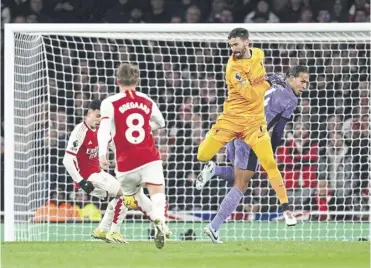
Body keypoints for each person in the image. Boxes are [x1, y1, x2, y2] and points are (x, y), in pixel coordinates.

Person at [196, 28, 299, 243]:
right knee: (236, 179)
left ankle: (214, 172)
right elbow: (253, 95)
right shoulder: (233, 68)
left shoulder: (259, 55)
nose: (232, 49)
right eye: (230, 45)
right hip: (237, 122)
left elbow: (259, 86)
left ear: (247, 43)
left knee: (241, 176)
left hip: (253, 125)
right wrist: (270, 82)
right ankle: (214, 225)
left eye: (235, 44)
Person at [98, 63, 170, 249]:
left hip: (126, 162)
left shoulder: (109, 102)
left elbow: (104, 129)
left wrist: (102, 152)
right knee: (157, 193)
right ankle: (159, 220)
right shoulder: (146, 100)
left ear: (117, 81)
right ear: (137, 81)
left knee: (129, 196)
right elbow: (160, 122)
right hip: (149, 156)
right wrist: (147, 128)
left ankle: (110, 229)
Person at [63, 100, 128, 243]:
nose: (100, 120)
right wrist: (81, 182)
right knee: (126, 195)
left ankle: (102, 230)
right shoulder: (80, 132)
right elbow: (67, 160)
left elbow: (114, 146)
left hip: (99, 174)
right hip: (88, 178)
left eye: (102, 117)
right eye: (97, 116)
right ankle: (114, 232)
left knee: (123, 197)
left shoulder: (101, 131)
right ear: (89, 113)